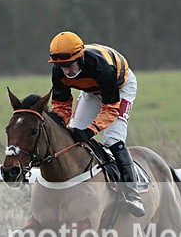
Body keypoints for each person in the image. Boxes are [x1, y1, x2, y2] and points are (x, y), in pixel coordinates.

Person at [48, 31, 145, 217]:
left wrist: (91, 130)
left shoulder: (103, 68)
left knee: (113, 139)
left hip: (120, 88)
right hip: (91, 91)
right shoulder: (58, 71)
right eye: (61, 66)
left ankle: (132, 193)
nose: (66, 72)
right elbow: (61, 105)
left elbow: (110, 109)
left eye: (69, 66)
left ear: (80, 58)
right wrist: (59, 125)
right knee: (73, 135)